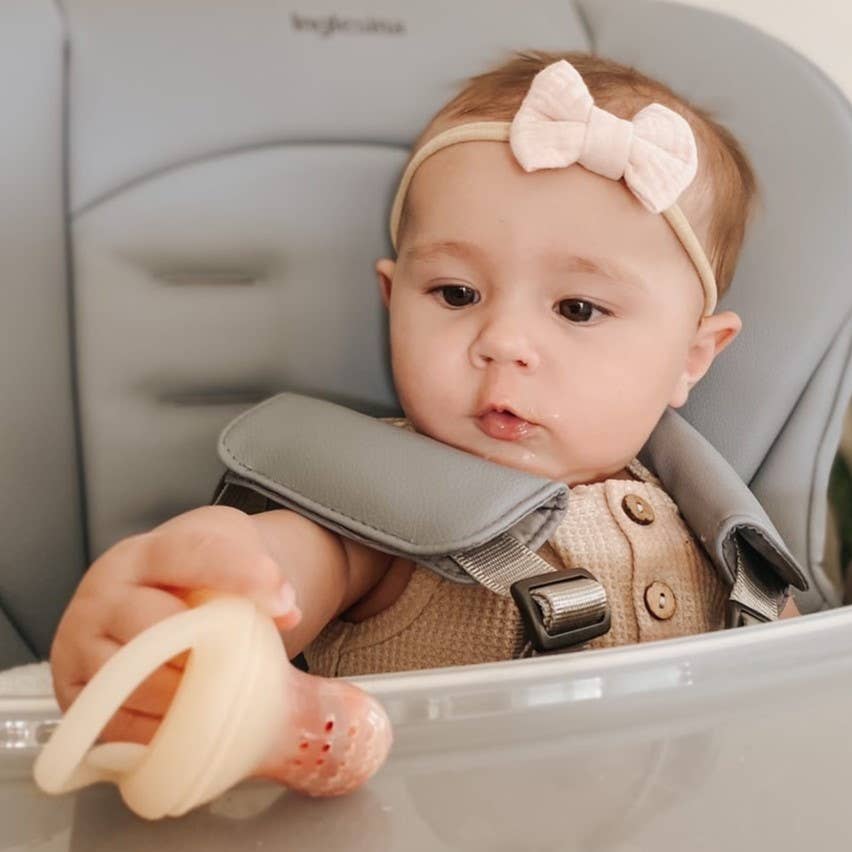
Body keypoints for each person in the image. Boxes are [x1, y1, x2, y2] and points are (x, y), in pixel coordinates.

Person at [48, 50, 797, 769]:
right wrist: (216, 592)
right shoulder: (380, 515)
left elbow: (802, 705)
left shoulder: (716, 535)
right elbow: (293, 568)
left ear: (693, 357)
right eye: (456, 294)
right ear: (392, 299)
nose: (502, 342)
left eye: (577, 307)